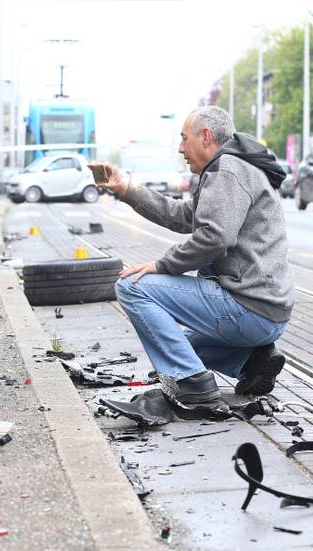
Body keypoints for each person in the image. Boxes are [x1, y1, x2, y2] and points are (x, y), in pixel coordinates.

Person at [89, 106, 293, 406]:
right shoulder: (232, 167)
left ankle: (195, 386)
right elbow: (185, 216)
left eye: (185, 139)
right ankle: (252, 362)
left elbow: (215, 238)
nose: (181, 148)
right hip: (267, 312)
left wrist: (161, 265)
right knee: (175, 348)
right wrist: (128, 190)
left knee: (131, 286)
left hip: (248, 307)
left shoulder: (228, 172)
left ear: (206, 136)